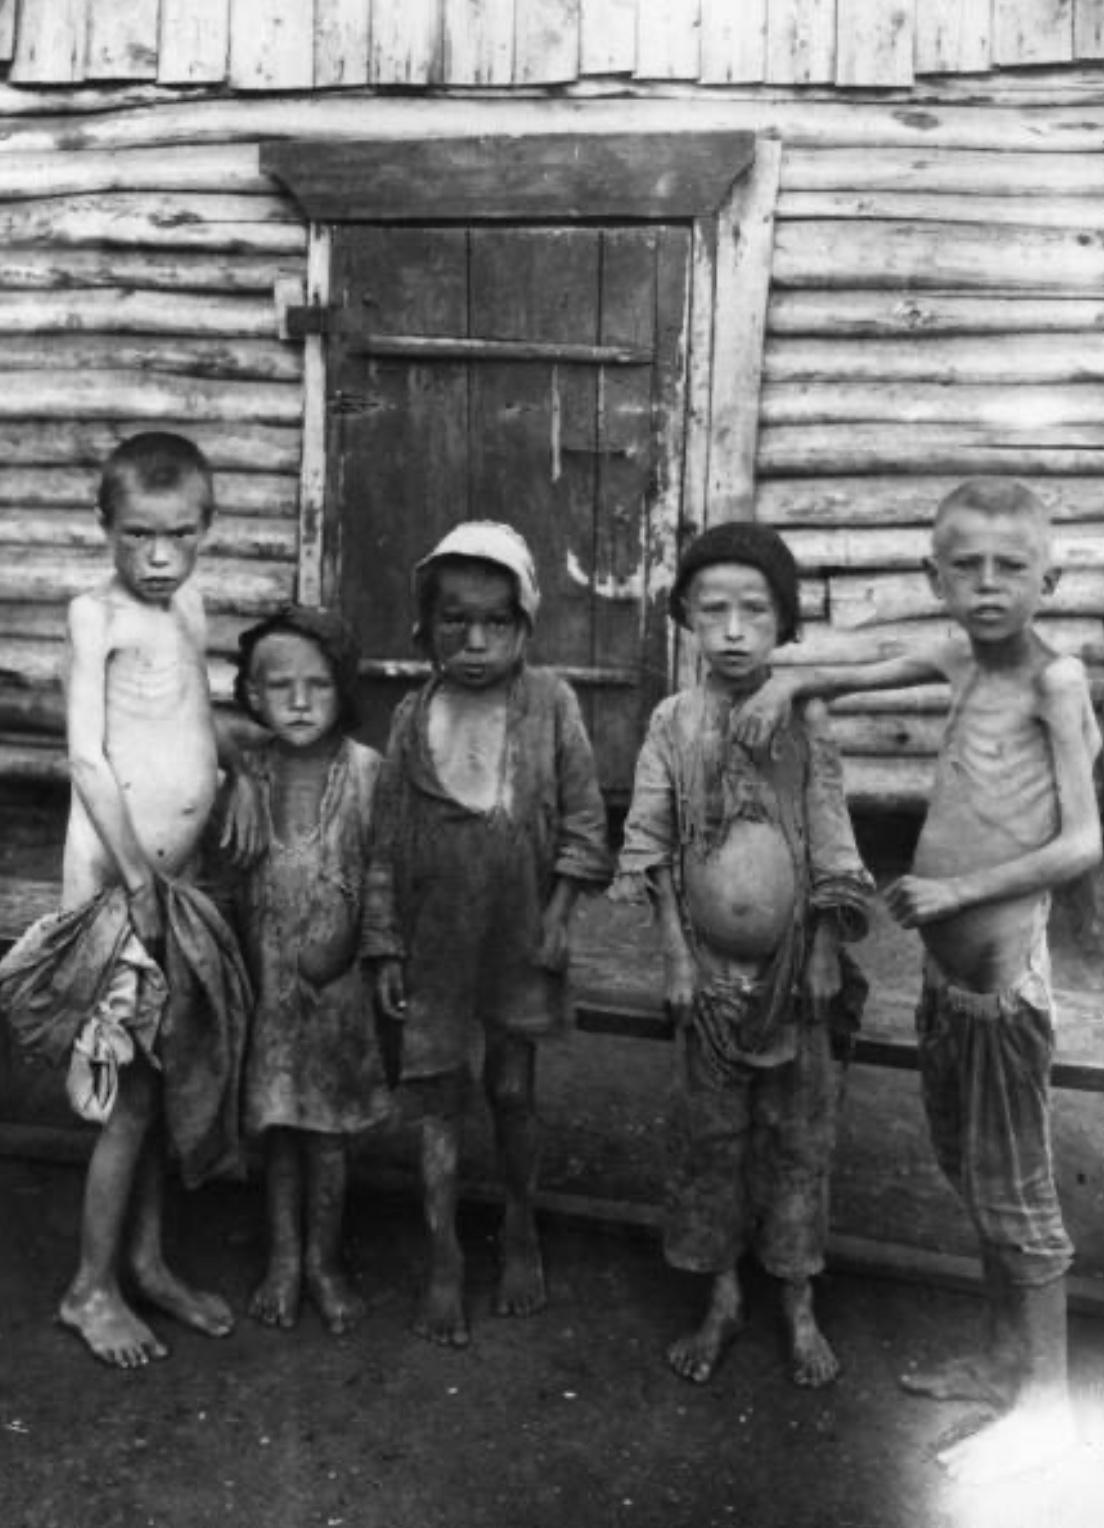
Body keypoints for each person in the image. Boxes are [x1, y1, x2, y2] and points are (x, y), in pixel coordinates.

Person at [732, 479, 1102, 1483]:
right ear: (935, 578)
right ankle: (1001, 1360)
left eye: (1011, 567)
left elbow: (1083, 840)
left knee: (1018, 1195)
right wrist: (786, 685)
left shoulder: (1055, 681)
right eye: (965, 566)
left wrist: (958, 890)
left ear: (1049, 581)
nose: (987, 584)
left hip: (1000, 992)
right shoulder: (958, 657)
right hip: (949, 984)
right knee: (975, 1176)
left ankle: (1045, 1408)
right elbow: (861, 668)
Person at [0, 431, 257, 1368]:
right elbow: (87, 760)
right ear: (104, 526)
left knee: (157, 1079)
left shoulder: (188, 603)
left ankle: (144, 1262)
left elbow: (193, 707)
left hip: (172, 890)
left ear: (206, 529)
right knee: (130, 1098)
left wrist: (239, 770)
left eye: (179, 534)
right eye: (138, 535)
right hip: (118, 890)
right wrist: (138, 881)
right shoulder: (93, 615)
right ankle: (88, 1288)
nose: (158, 557)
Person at [614, 521, 872, 1391]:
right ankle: (722, 1294)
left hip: (798, 974)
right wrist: (677, 959)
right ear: (685, 616)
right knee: (711, 1138)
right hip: (712, 979)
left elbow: (831, 835)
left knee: (799, 1139)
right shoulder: (673, 721)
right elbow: (650, 843)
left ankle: (797, 1298)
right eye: (712, 610)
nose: (732, 630)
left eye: (754, 611)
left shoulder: (806, 717)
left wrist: (827, 948)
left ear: (784, 623)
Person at [365, 521, 612, 1347]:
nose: (475, 643)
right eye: (455, 621)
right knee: (437, 1098)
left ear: (524, 625)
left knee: (511, 1089)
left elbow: (585, 824)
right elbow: (383, 842)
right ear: (425, 626)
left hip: (517, 934)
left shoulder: (550, 705)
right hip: (433, 939)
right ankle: (443, 1254)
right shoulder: (412, 716)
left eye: (496, 623)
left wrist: (559, 917)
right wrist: (385, 945)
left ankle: (520, 1223)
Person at [230, 606, 392, 1335]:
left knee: (327, 1132)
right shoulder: (248, 773)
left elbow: (385, 874)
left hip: (337, 991)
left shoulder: (367, 774)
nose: (299, 702)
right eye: (280, 686)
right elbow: (224, 876)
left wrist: (362, 943)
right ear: (252, 694)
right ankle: (283, 1259)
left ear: (343, 690)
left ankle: (324, 1262)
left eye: (318, 685)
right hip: (268, 985)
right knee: (278, 1125)